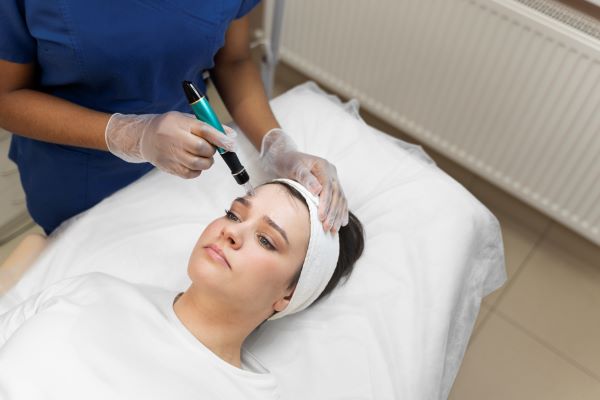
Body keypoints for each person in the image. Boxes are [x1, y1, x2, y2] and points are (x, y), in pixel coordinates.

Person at [0, 1, 348, 235]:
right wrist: (128, 134)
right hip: (76, 172)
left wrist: (275, 146)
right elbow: (6, 98)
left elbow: (234, 60)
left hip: (187, 166)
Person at [0, 179, 364, 399]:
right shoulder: (94, 289)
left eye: (267, 240)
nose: (232, 231)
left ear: (287, 295)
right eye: (235, 214)